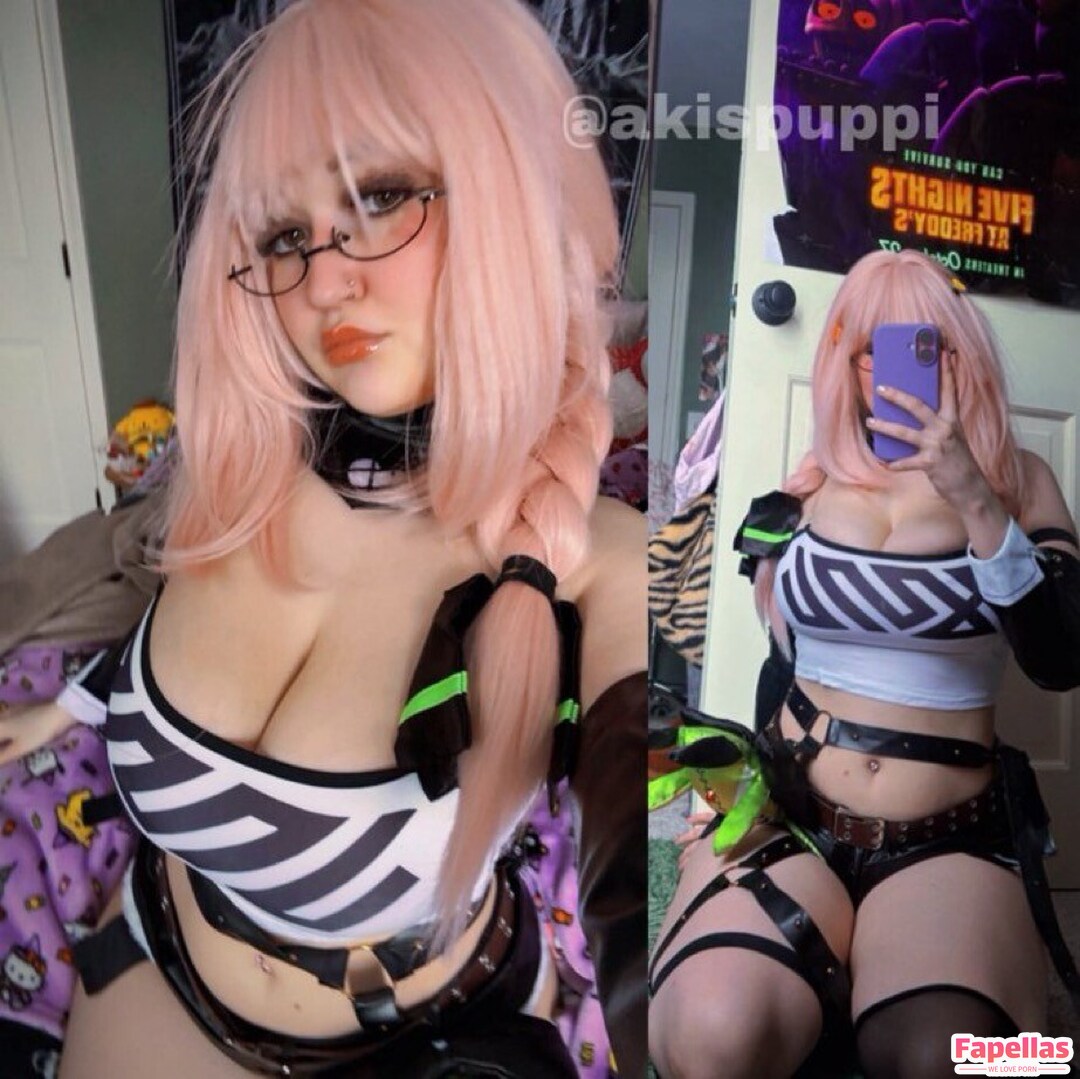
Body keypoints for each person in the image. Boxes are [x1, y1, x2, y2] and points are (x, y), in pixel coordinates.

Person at [12, 1, 648, 1075]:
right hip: (154, 953)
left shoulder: (605, 564)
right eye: (282, 236)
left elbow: (669, 868)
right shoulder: (245, 471)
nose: (321, 283)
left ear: (514, 189)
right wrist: (69, 705)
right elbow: (166, 637)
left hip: (408, 1031)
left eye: (382, 195)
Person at [648, 248, 1080, 1079]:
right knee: (712, 1032)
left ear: (961, 355)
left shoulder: (1017, 481)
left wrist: (973, 496)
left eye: (924, 344)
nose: (892, 370)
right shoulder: (803, 490)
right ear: (844, 364)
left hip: (946, 838)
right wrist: (730, 793)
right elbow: (781, 666)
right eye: (869, 349)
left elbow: (1062, 658)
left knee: (950, 1058)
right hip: (792, 821)